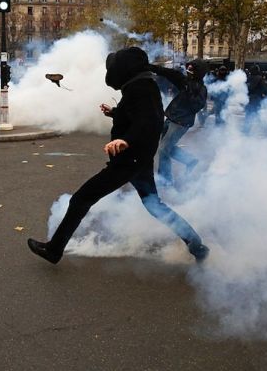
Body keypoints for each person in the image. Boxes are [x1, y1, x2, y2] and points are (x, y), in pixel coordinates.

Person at [27, 47, 209, 265]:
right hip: (137, 159)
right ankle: (197, 246)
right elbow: (136, 114)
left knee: (81, 199)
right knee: (155, 206)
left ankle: (54, 250)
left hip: (129, 159)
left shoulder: (141, 87)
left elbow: (149, 121)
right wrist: (114, 113)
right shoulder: (138, 85)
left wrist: (126, 140)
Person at [149, 60, 207, 185]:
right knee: (165, 148)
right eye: (188, 69)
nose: (188, 72)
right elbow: (169, 73)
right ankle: (190, 160)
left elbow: (197, 106)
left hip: (181, 122)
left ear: (198, 73)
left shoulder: (201, 89)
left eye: (191, 70)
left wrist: (189, 92)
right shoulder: (186, 81)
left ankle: (165, 180)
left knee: (163, 150)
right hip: (171, 117)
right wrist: (149, 67)